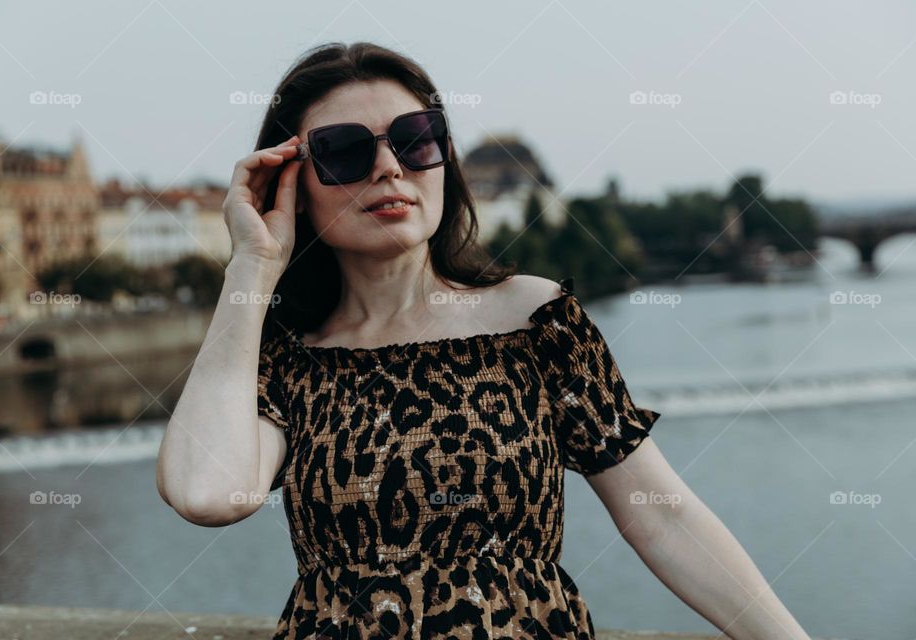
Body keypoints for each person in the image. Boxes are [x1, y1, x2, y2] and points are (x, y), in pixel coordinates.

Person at [157, 41, 812, 640]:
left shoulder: (535, 321)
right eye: (346, 151)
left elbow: (662, 516)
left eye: (414, 140)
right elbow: (207, 493)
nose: (388, 167)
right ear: (293, 186)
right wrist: (252, 266)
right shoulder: (290, 357)